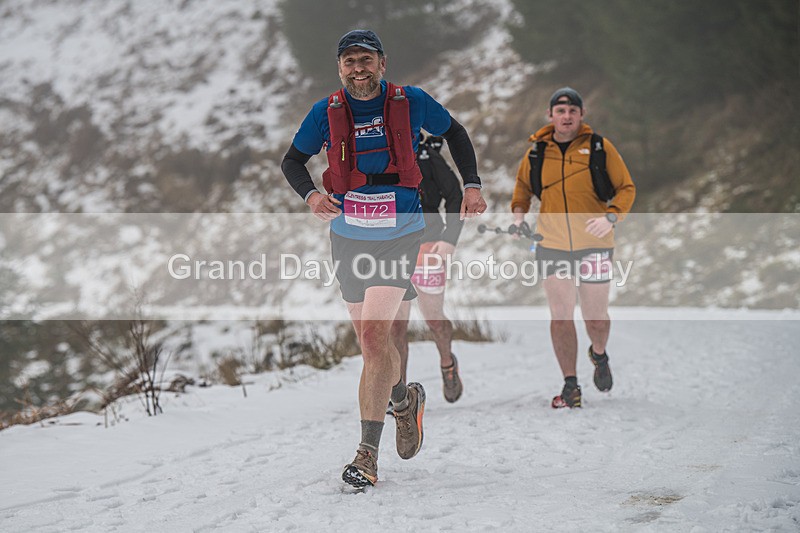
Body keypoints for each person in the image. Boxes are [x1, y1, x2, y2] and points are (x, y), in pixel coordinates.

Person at [281, 29, 486, 488]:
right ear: (340, 68)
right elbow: (292, 162)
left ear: (382, 63)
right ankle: (403, 400)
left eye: (366, 60)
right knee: (370, 344)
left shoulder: (411, 101)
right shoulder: (325, 112)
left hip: (401, 233)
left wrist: (471, 184)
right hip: (348, 234)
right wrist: (312, 196)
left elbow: (455, 132)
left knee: (376, 340)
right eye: (350, 61)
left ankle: (366, 456)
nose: (358, 68)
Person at [510, 87, 635, 409]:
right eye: (560, 111)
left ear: (581, 116)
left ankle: (599, 353)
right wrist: (519, 216)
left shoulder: (599, 147)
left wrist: (611, 218)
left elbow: (626, 188)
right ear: (551, 116)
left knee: (595, 318)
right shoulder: (537, 151)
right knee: (561, 316)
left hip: (594, 243)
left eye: (572, 111)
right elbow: (523, 189)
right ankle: (570, 385)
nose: (566, 116)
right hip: (551, 245)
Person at [390, 133, 465, 406]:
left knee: (433, 318)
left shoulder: (427, 156)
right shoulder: (377, 153)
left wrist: (449, 239)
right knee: (396, 326)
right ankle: (399, 396)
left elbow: (455, 195)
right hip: (391, 250)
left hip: (429, 247)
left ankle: (447, 363)